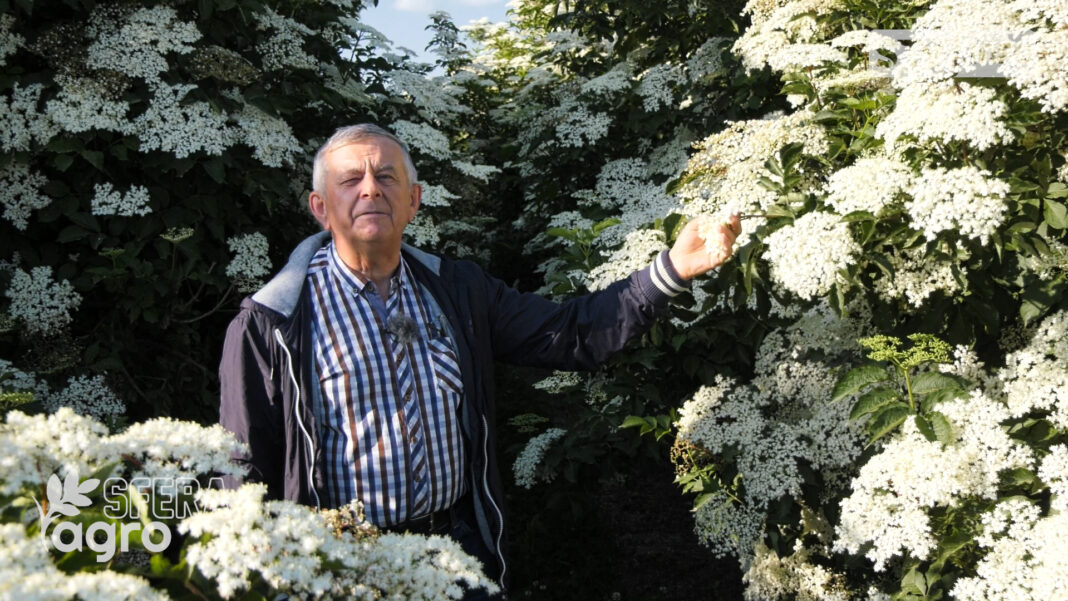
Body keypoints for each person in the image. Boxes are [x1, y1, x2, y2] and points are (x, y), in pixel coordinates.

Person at [219, 123, 741, 598]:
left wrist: (671, 269)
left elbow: (570, 333)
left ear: (414, 201)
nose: (370, 189)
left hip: (457, 557)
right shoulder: (271, 325)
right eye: (350, 179)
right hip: (343, 568)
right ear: (319, 207)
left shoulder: (461, 293)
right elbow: (243, 475)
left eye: (386, 177)